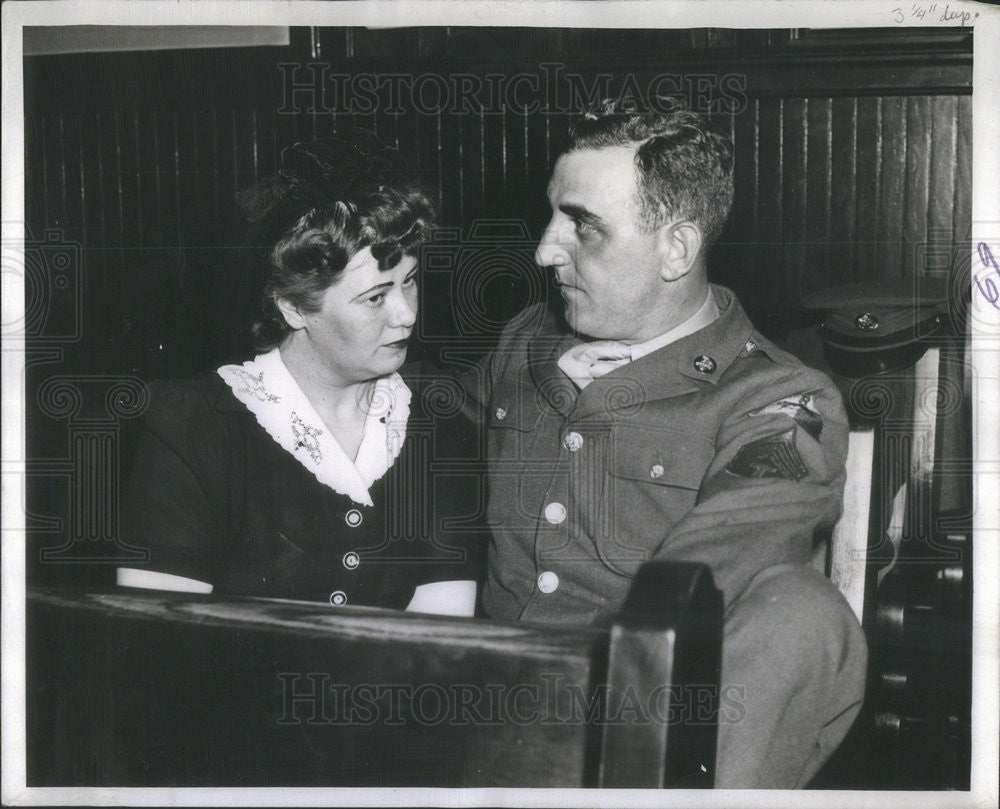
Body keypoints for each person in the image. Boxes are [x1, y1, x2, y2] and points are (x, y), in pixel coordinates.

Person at [463, 99, 867, 787]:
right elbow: (406, 442)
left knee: (805, 613)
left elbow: (698, 580)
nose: (544, 249)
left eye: (583, 227)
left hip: (637, 733)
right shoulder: (525, 341)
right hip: (470, 711)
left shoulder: (778, 400)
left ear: (676, 249)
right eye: (554, 214)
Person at [116, 131, 483, 616]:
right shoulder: (192, 427)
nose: (406, 314)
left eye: (409, 283)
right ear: (291, 307)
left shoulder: (439, 412)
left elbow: (443, 640)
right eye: (375, 297)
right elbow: (158, 642)